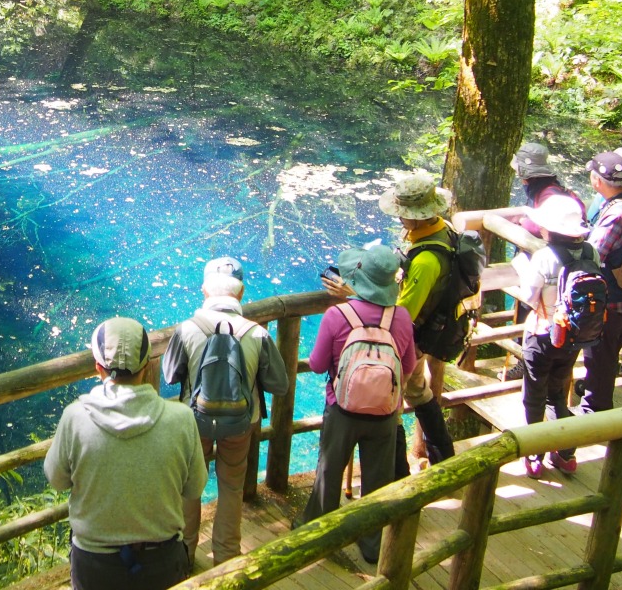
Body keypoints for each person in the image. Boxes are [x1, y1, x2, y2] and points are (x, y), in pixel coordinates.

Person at [45, 317, 207, 590]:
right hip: (162, 561)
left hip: (94, 564)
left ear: (98, 368)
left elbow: (57, 480)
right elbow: (195, 488)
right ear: (146, 365)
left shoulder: (75, 418)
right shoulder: (181, 419)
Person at [162, 257, 289, 566]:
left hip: (195, 422)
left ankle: (185, 554)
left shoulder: (187, 329)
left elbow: (169, 375)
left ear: (204, 291)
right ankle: (226, 557)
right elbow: (279, 384)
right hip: (240, 424)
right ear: (241, 292)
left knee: (190, 485)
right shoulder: (257, 333)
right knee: (231, 486)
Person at [296, 244, 415, 565]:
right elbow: (408, 367)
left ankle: (320, 532)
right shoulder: (401, 317)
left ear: (358, 279)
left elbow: (319, 364)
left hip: (342, 409)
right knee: (378, 479)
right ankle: (373, 544)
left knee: (329, 471)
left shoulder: (338, 314)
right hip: (385, 414)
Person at [513, 195, 597, 478]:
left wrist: (522, 268)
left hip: (542, 334)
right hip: (574, 336)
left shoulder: (544, 257)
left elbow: (528, 297)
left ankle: (534, 455)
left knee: (534, 395)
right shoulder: (591, 253)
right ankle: (565, 452)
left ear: (551, 229)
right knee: (557, 393)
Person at [377, 172, 456, 466]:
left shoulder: (425, 261)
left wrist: (359, 293)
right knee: (420, 393)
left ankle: (395, 474)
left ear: (414, 218)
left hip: (413, 340)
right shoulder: (443, 230)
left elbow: (403, 315)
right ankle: (444, 458)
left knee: (392, 403)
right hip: (429, 333)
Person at [507, 142, 587, 379]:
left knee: (533, 309)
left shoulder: (547, 194)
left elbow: (535, 224)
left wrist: (522, 221)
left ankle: (526, 362)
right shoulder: (552, 188)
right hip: (562, 262)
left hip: (549, 265)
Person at [580, 151, 622, 415]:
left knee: (600, 357)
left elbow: (594, 255)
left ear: (597, 179)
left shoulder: (617, 214)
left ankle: (595, 411)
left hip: (612, 301)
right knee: (607, 354)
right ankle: (597, 401)